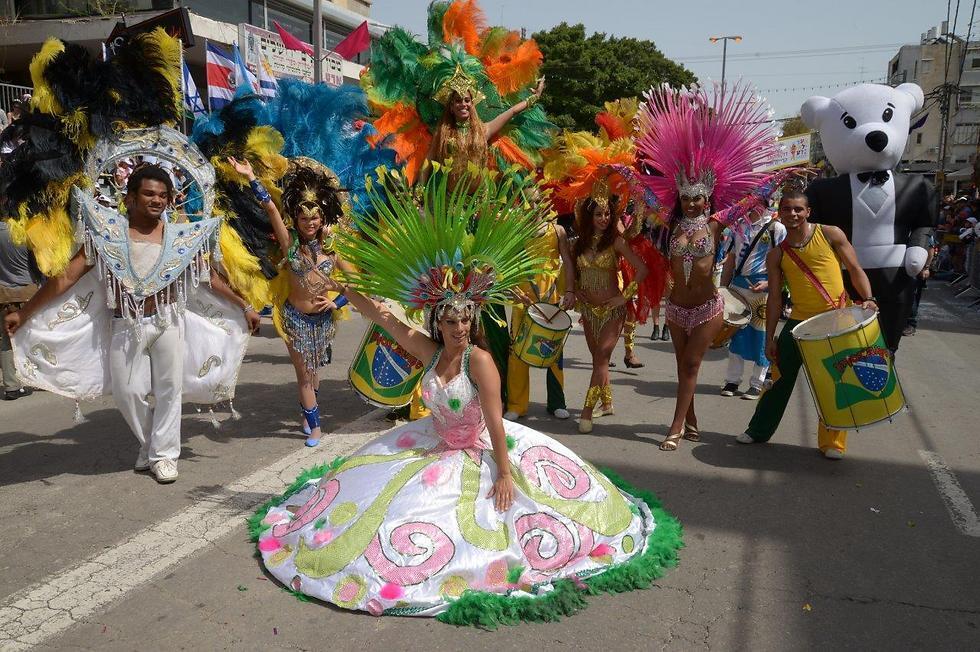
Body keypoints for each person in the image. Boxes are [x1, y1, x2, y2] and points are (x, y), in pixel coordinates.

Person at [252, 165, 681, 623]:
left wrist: (504, 474)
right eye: (451, 321)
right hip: (433, 444)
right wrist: (347, 288)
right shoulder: (432, 350)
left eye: (465, 320)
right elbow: (384, 319)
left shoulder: (479, 359)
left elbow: (495, 420)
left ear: (473, 320)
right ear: (439, 322)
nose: (459, 329)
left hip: (479, 451)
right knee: (373, 510)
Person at [4, 164, 259, 483]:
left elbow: (209, 280)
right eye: (149, 194)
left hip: (168, 320)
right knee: (128, 392)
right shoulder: (107, 238)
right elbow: (67, 276)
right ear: (130, 198)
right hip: (125, 323)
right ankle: (153, 444)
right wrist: (25, 312)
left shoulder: (179, 240)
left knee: (169, 390)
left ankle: (164, 455)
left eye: (163, 196)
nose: (157, 200)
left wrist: (244, 305)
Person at [632, 81, 795, 452]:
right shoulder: (671, 223)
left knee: (691, 365)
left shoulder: (717, 224)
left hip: (707, 309)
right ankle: (691, 421)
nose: (691, 205)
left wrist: (781, 177)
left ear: (708, 197)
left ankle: (673, 427)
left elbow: (755, 196)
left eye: (698, 198)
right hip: (676, 309)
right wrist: (619, 172)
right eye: (686, 198)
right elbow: (641, 193)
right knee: (682, 367)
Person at [737, 190, 877, 459]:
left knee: (836, 382)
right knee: (778, 379)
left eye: (798, 209)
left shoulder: (830, 234)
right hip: (799, 324)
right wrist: (770, 339)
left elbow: (855, 268)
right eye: (787, 209)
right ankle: (758, 430)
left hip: (837, 320)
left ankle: (833, 442)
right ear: (780, 212)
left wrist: (868, 298)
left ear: (808, 212)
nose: (793, 214)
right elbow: (775, 298)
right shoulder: (777, 254)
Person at [227, 155, 348, 447]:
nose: (309, 223)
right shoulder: (289, 246)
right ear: (296, 219)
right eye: (304, 218)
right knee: (304, 374)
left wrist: (337, 303)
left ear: (323, 220)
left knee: (315, 369)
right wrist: (252, 177)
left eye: (314, 218)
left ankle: (309, 412)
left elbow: (355, 285)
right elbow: (269, 206)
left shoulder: (333, 252)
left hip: (322, 320)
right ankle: (316, 428)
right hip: (294, 319)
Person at [570, 185, 648, 434]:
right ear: (589, 217)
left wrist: (623, 298)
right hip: (589, 311)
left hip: (613, 311)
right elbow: (573, 272)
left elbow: (642, 270)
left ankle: (586, 413)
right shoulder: (579, 244)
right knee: (598, 361)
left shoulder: (616, 241)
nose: (604, 219)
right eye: (598, 214)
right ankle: (607, 403)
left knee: (601, 358)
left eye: (607, 214)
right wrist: (577, 290)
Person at [503, 219, 575, 422]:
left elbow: (567, 261)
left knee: (553, 355)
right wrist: (514, 291)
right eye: (530, 202)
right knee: (517, 354)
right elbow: (507, 265)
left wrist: (570, 290)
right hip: (522, 304)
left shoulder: (557, 231)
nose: (535, 206)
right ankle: (517, 405)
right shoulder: (516, 228)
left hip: (550, 302)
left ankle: (557, 403)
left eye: (538, 201)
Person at [719, 206, 786, 399]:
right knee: (735, 333)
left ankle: (757, 382)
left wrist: (769, 282)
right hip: (738, 287)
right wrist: (723, 291)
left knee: (762, 336)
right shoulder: (738, 226)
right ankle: (732, 380)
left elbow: (785, 262)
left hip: (763, 290)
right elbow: (730, 259)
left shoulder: (776, 228)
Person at [0, 220, 41, 400]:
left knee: (6, 340)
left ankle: (11, 386)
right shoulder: (25, 231)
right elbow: (38, 264)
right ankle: (37, 378)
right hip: (28, 292)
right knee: (34, 337)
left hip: (3, 295)